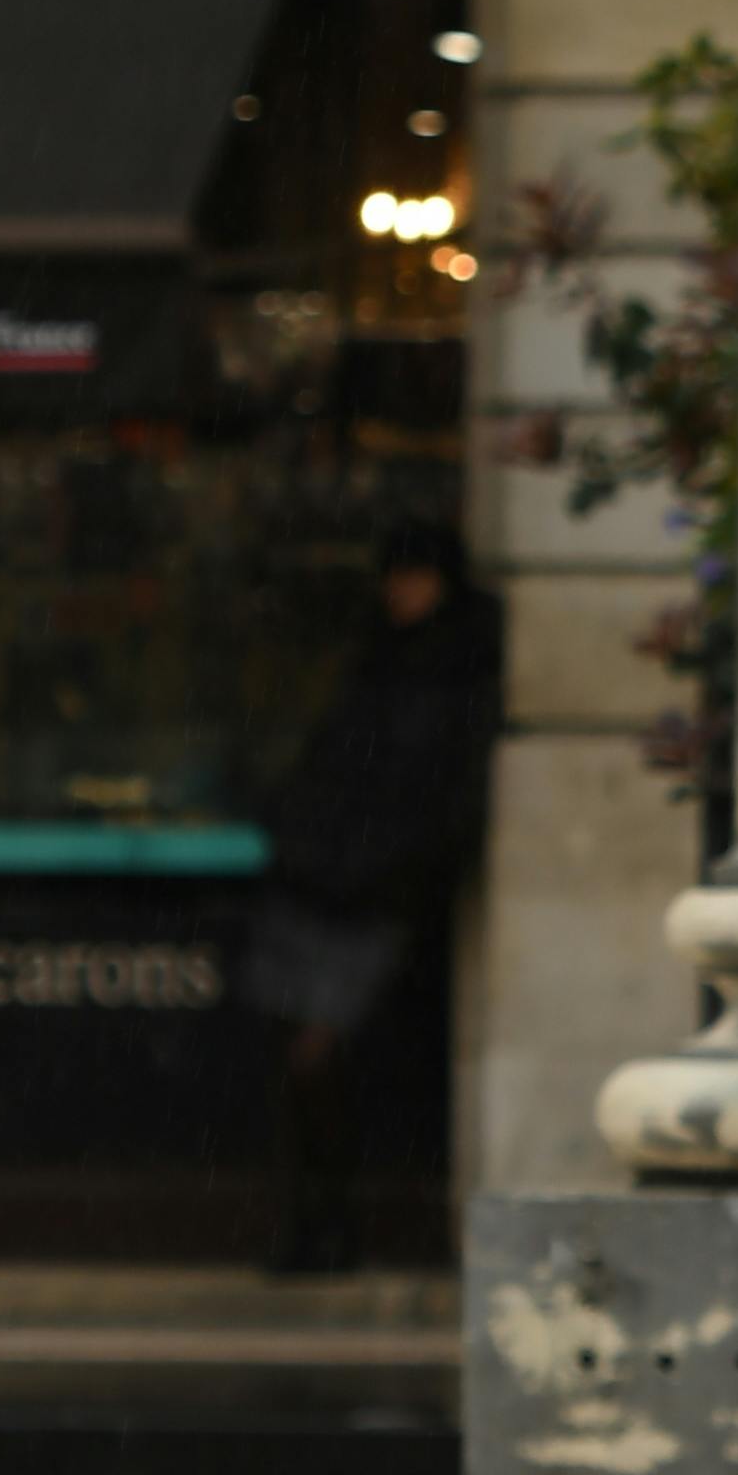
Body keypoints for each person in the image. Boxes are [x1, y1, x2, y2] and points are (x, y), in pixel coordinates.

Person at [236, 511, 499, 1278]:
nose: (402, 594)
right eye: (396, 578)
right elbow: (330, 760)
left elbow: (445, 795)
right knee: (298, 1063)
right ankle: (312, 1221)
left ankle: (332, 1222)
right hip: (322, 883)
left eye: (416, 578)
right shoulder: (381, 662)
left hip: (375, 892)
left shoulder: (457, 667)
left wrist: (386, 867)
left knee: (322, 1058)